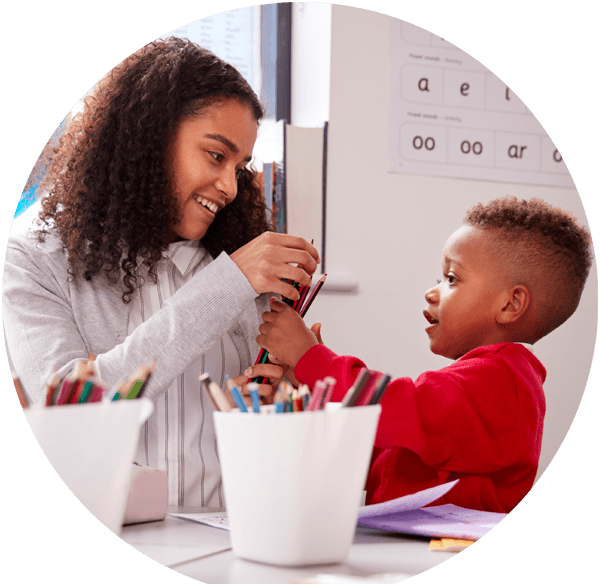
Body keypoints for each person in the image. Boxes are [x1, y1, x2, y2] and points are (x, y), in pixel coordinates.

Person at [3, 37, 319, 507]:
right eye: (216, 155)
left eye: (241, 166)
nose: (230, 187)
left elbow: (265, 436)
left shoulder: (237, 257)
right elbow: (72, 413)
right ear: (147, 139)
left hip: (232, 536)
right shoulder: (34, 253)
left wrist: (284, 402)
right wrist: (229, 283)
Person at [257, 196, 592, 513]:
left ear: (510, 304)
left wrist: (312, 359)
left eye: (451, 278)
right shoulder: (473, 387)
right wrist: (311, 383)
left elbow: (395, 407)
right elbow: (380, 449)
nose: (432, 292)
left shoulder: (502, 382)